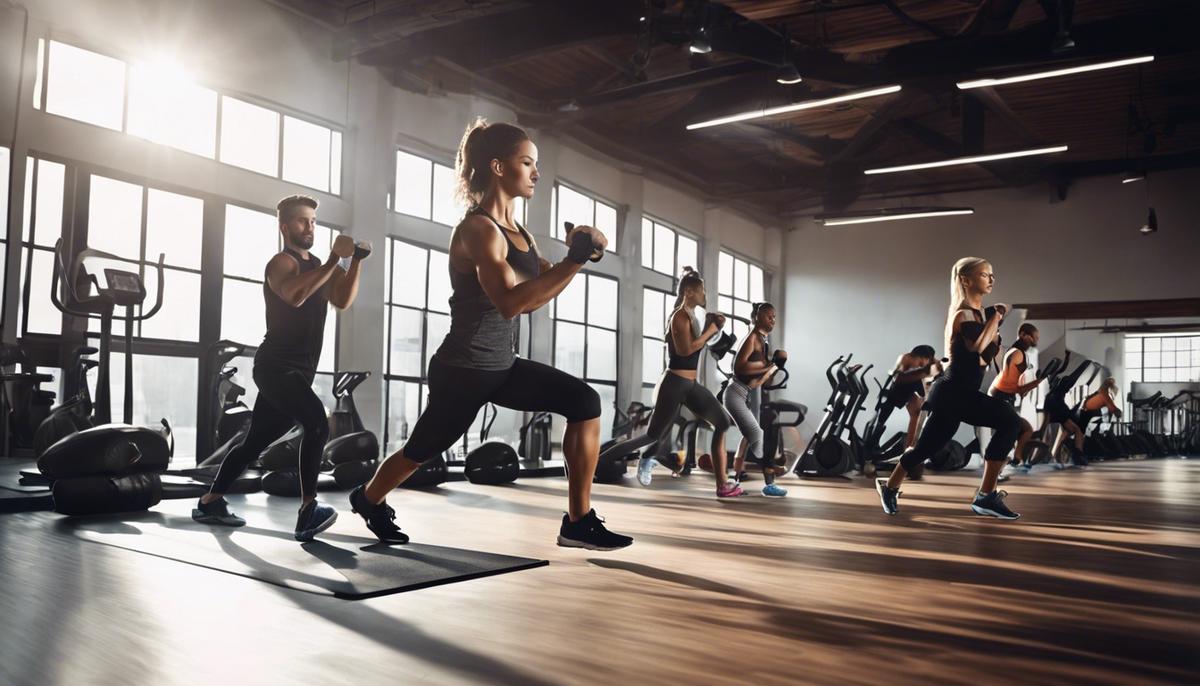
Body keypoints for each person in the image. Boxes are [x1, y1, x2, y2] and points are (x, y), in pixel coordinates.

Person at [348, 119, 632, 551]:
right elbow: (513, 301)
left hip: (502, 365)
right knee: (420, 451)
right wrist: (575, 260)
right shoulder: (478, 230)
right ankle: (368, 498)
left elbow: (543, 283)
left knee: (585, 402)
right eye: (527, 162)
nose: (536, 173)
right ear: (498, 167)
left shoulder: (521, 233)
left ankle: (578, 521)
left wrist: (580, 253)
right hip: (463, 370)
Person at [193, 195, 366, 541]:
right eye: (302, 221)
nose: (309, 227)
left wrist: (355, 261)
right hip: (275, 366)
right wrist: (335, 259)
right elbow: (294, 296)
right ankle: (307, 510)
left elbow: (342, 300)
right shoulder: (281, 263)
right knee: (317, 423)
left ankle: (210, 500)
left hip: (300, 371)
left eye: (314, 221)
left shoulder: (319, 264)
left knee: (252, 443)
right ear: (285, 227)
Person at [875, 257, 1024, 519]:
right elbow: (978, 347)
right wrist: (998, 315)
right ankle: (986, 496)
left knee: (925, 448)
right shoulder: (963, 314)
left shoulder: (979, 315)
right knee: (1010, 421)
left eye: (992, 274)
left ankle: (889, 486)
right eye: (984, 274)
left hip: (957, 393)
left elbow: (983, 359)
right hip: (953, 391)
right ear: (966, 280)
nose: (991, 279)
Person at [599, 267, 741, 497]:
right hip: (674, 383)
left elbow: (703, 344)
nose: (705, 294)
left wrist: (715, 328)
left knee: (723, 422)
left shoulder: (692, 316)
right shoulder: (679, 316)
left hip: (690, 385)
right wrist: (710, 330)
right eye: (702, 290)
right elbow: (686, 350)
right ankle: (597, 462)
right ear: (689, 291)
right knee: (651, 436)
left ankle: (722, 485)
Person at [723, 302, 787, 497]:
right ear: (757, 318)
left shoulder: (762, 340)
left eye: (774, 317)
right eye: (769, 316)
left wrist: (776, 365)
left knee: (757, 432)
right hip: (736, 394)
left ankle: (742, 477)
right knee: (759, 435)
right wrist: (767, 367)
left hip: (750, 393)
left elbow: (762, 380)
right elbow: (738, 368)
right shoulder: (751, 338)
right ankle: (765, 469)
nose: (772, 320)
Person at [989, 323, 1045, 475]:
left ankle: (1014, 460)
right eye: (1033, 337)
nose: (1035, 341)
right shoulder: (1017, 354)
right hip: (1000, 397)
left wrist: (1035, 383)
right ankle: (1001, 468)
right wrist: (1037, 382)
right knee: (1014, 431)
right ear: (1023, 335)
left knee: (1021, 430)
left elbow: (1017, 388)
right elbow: (1014, 387)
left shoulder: (1017, 353)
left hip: (1003, 396)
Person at [884, 345, 942, 451]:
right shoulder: (906, 358)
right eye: (921, 362)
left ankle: (910, 446)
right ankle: (910, 447)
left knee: (917, 413)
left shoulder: (919, 360)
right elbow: (898, 379)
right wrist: (924, 373)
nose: (921, 365)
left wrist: (936, 363)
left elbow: (935, 363)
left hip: (908, 388)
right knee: (917, 412)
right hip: (899, 390)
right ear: (919, 356)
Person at [1042, 357, 1097, 467]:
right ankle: (1077, 455)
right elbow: (1074, 376)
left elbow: (1063, 370)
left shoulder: (1053, 388)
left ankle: (1065, 453)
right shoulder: (1058, 390)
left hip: (1055, 409)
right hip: (1058, 409)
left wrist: (1067, 357)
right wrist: (1085, 364)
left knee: (1070, 431)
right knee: (1076, 430)